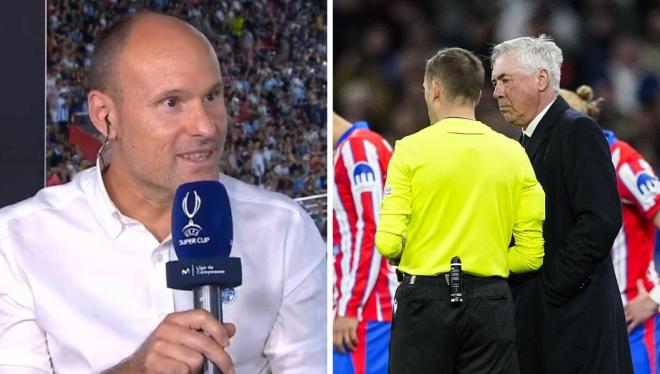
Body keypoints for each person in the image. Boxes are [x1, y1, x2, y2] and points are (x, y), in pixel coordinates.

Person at [0, 12, 326, 373]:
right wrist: (135, 370)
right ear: (105, 116)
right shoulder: (17, 241)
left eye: (212, 96)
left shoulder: (284, 230)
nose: (205, 126)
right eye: (172, 103)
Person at [375, 47, 546, 373]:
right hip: (491, 302)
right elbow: (530, 255)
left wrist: (423, 252)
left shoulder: (410, 151)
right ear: (478, 94)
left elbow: (388, 243)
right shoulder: (513, 154)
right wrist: (488, 259)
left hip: (424, 299)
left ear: (435, 88)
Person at [491, 35, 633, 374]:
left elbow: (600, 219)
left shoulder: (577, 130)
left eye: (505, 80)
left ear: (541, 79)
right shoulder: (524, 141)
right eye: (495, 82)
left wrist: (553, 286)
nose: (496, 92)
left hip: (575, 319)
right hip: (546, 319)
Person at [561, 85, 660, 374]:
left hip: (636, 323)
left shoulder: (622, 161)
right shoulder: (559, 163)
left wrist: (655, 298)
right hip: (591, 322)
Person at [332, 112, 397, 374]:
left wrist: (350, 307)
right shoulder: (368, 144)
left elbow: (371, 228)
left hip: (367, 313)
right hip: (368, 308)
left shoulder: (356, 149)